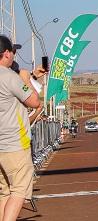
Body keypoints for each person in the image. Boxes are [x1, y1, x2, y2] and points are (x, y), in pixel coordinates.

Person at [0, 35, 42, 221]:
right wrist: (26, 78)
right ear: (7, 53)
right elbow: (34, 101)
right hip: (15, 144)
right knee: (18, 190)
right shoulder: (9, 76)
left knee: (5, 192)